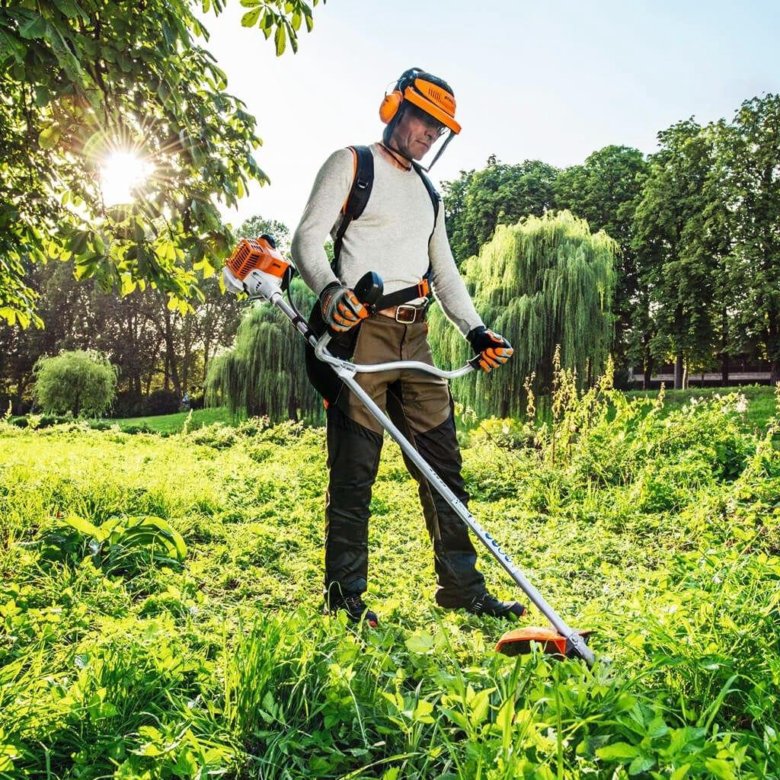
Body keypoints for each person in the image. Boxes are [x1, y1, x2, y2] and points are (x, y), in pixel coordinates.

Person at [291, 67, 523, 627]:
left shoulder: (429, 193)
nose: (430, 135)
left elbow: (445, 276)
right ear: (395, 109)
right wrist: (330, 292)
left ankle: (462, 588)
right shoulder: (352, 164)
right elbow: (306, 238)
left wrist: (476, 331)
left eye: (440, 128)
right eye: (424, 120)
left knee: (443, 467)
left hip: (414, 338)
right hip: (361, 332)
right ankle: (345, 600)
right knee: (355, 473)